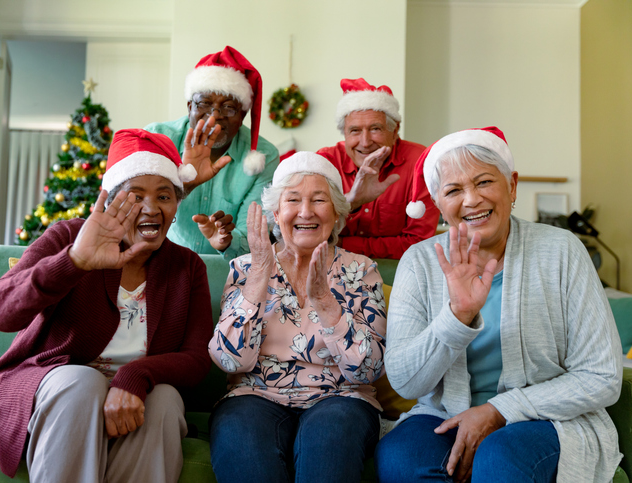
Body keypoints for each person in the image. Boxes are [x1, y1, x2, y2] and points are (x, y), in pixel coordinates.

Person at [374, 127, 623, 482]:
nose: (472, 200)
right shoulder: (419, 262)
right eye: (454, 190)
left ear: (513, 186)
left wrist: (498, 410)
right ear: (439, 204)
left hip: (547, 419)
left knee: (499, 457)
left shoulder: (562, 250)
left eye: (484, 182)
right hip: (443, 413)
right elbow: (406, 383)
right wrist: (457, 316)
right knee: (400, 458)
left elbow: (603, 376)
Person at [0, 127, 220, 482]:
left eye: (164, 196)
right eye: (135, 196)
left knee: (165, 400)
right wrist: (74, 261)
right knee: (82, 383)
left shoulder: (187, 266)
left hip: (138, 392)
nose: (151, 208)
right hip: (55, 384)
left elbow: (197, 359)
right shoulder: (69, 237)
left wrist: (134, 376)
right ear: (110, 201)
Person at [208, 152, 388, 482]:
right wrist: (261, 273)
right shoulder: (245, 268)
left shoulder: (361, 270)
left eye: (319, 200)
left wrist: (325, 302)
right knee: (243, 445)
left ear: (336, 214)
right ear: (277, 213)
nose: (305, 211)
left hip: (341, 397)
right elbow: (229, 361)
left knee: (329, 442)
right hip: (253, 395)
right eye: (293, 200)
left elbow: (369, 370)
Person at [145, 45, 279, 260]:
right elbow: (137, 211)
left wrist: (227, 239)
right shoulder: (158, 138)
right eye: (205, 104)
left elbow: (252, 238)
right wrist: (185, 187)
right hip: (157, 262)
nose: (214, 117)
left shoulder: (264, 156)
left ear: (243, 114)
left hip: (224, 274)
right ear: (189, 107)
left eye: (228, 107)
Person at [317, 78, 440, 260]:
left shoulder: (420, 163)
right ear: (344, 133)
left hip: (397, 272)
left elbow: (418, 243)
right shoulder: (325, 162)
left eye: (375, 129)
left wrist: (341, 243)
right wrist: (351, 203)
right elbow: (312, 231)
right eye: (355, 131)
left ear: (395, 130)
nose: (365, 143)